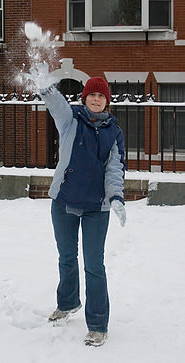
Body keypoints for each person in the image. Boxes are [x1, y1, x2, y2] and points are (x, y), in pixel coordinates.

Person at [40, 76, 126, 347]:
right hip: (64, 201)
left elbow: (114, 168)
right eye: (92, 95)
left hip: (96, 207)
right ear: (85, 98)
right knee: (66, 257)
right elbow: (56, 105)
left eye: (101, 96)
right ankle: (67, 303)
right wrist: (45, 86)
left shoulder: (114, 132)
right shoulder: (71, 121)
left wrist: (116, 197)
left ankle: (98, 324)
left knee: (93, 265)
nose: (96, 100)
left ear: (107, 101)